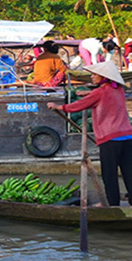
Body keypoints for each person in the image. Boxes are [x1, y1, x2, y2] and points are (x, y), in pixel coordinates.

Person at [47, 62, 132, 206]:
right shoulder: (118, 90)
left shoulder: (100, 92)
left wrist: (58, 107)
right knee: (129, 172)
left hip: (110, 138)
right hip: (128, 136)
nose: (92, 77)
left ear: (103, 77)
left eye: (94, 75)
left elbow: (78, 105)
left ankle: (113, 205)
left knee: (109, 174)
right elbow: (102, 96)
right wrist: (89, 93)